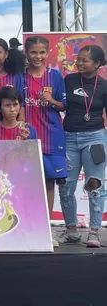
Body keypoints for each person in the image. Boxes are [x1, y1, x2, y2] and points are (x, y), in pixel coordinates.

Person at [58, 45, 107, 247]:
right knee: (66, 186)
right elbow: (60, 104)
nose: (79, 63)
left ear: (97, 64)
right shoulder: (69, 80)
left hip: (95, 138)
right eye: (78, 59)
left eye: (85, 60)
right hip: (68, 138)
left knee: (94, 183)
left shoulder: (104, 85)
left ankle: (94, 231)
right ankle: (71, 230)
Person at [23, 36, 67, 247]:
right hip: (26, 138)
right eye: (33, 52)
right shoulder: (19, 77)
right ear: (26, 52)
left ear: (47, 53)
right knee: (24, 184)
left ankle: (47, 229)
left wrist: (52, 102)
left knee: (48, 183)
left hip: (51, 136)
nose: (37, 57)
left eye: (41, 52)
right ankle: (26, 227)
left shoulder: (55, 76)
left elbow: (64, 105)